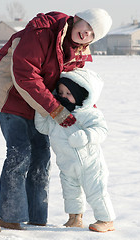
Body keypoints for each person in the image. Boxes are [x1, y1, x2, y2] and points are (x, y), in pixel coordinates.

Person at [0, 8, 112, 230]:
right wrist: (56, 110)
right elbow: (25, 75)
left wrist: (86, 110)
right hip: (13, 97)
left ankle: (36, 219)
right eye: (87, 26)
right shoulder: (42, 32)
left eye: (93, 33)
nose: (87, 33)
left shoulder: (78, 50)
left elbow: (76, 84)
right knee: (19, 152)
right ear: (77, 19)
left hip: (43, 105)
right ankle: (10, 217)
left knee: (41, 156)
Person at [35, 68, 116, 232]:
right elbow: (42, 128)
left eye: (68, 93)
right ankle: (75, 218)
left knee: (96, 192)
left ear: (79, 95)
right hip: (67, 165)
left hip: (90, 164)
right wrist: (42, 110)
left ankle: (106, 219)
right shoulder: (57, 114)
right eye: (61, 92)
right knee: (71, 192)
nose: (63, 96)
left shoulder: (88, 113)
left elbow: (102, 130)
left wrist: (86, 136)